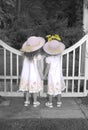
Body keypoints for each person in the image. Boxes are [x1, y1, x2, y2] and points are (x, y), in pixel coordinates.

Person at [19, 36, 45, 107]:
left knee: (27, 89)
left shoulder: (24, 56)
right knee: (35, 89)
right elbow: (39, 67)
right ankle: (35, 102)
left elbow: (23, 65)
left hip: (26, 75)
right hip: (34, 75)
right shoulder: (38, 56)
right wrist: (41, 76)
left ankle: (26, 101)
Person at [43, 34, 66, 108]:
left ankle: (50, 103)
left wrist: (45, 75)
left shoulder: (48, 58)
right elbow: (60, 51)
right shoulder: (58, 57)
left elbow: (47, 68)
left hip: (51, 76)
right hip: (58, 76)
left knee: (50, 89)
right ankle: (59, 102)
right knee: (58, 89)